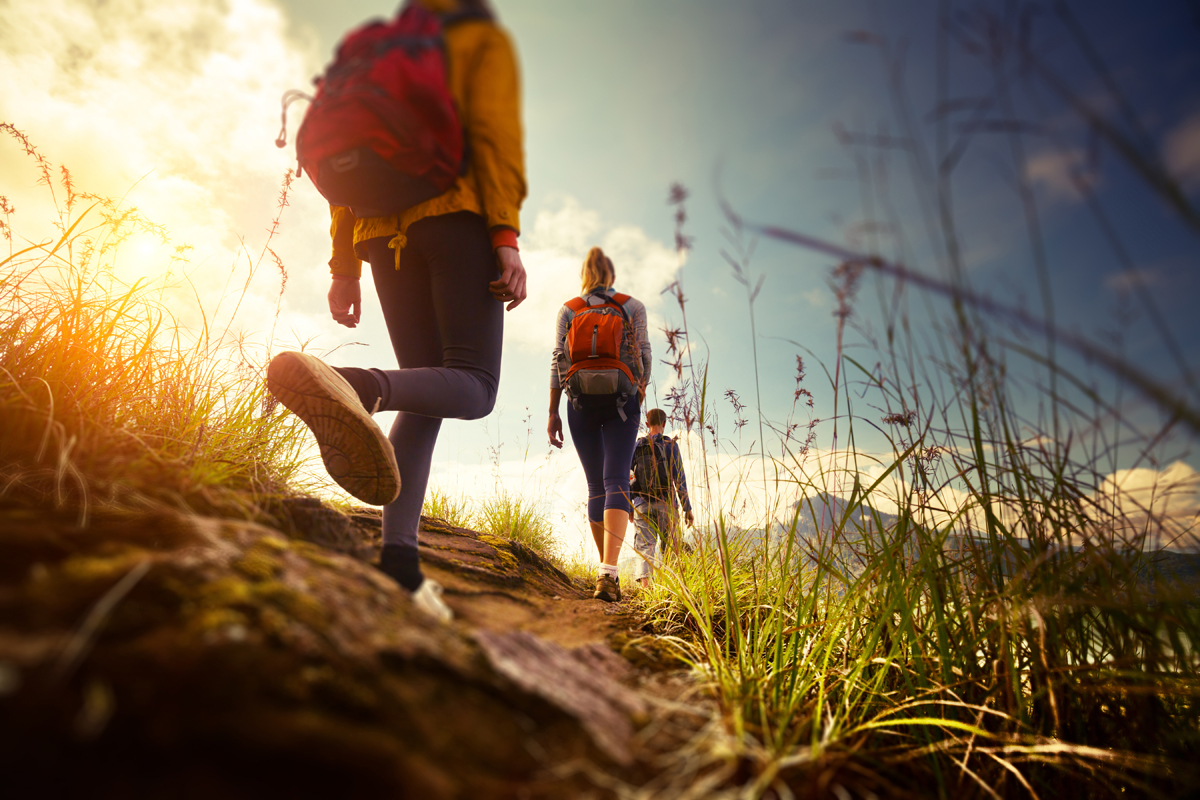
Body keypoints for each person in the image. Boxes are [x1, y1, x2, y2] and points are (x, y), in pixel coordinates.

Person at [267, 0, 526, 623]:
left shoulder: (375, 45)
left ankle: (400, 567)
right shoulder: (475, 38)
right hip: (454, 222)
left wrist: (344, 267)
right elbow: (494, 135)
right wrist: (506, 238)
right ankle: (358, 387)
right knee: (475, 385)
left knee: (427, 393)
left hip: (380, 237)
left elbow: (347, 174)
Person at [548, 248, 651, 603]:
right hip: (623, 401)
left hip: (579, 403)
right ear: (612, 275)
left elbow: (557, 361)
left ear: (584, 275)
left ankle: (605, 571)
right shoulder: (631, 306)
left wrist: (553, 411)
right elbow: (645, 355)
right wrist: (638, 391)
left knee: (596, 486)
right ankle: (609, 570)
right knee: (617, 481)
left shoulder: (569, 309)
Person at [630, 408, 694, 588]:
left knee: (645, 546)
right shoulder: (670, 445)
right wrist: (687, 508)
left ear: (647, 423)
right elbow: (679, 478)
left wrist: (629, 507)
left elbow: (629, 476)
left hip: (641, 504)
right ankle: (671, 588)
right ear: (664, 424)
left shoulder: (636, 446)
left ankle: (646, 589)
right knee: (671, 547)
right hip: (667, 504)